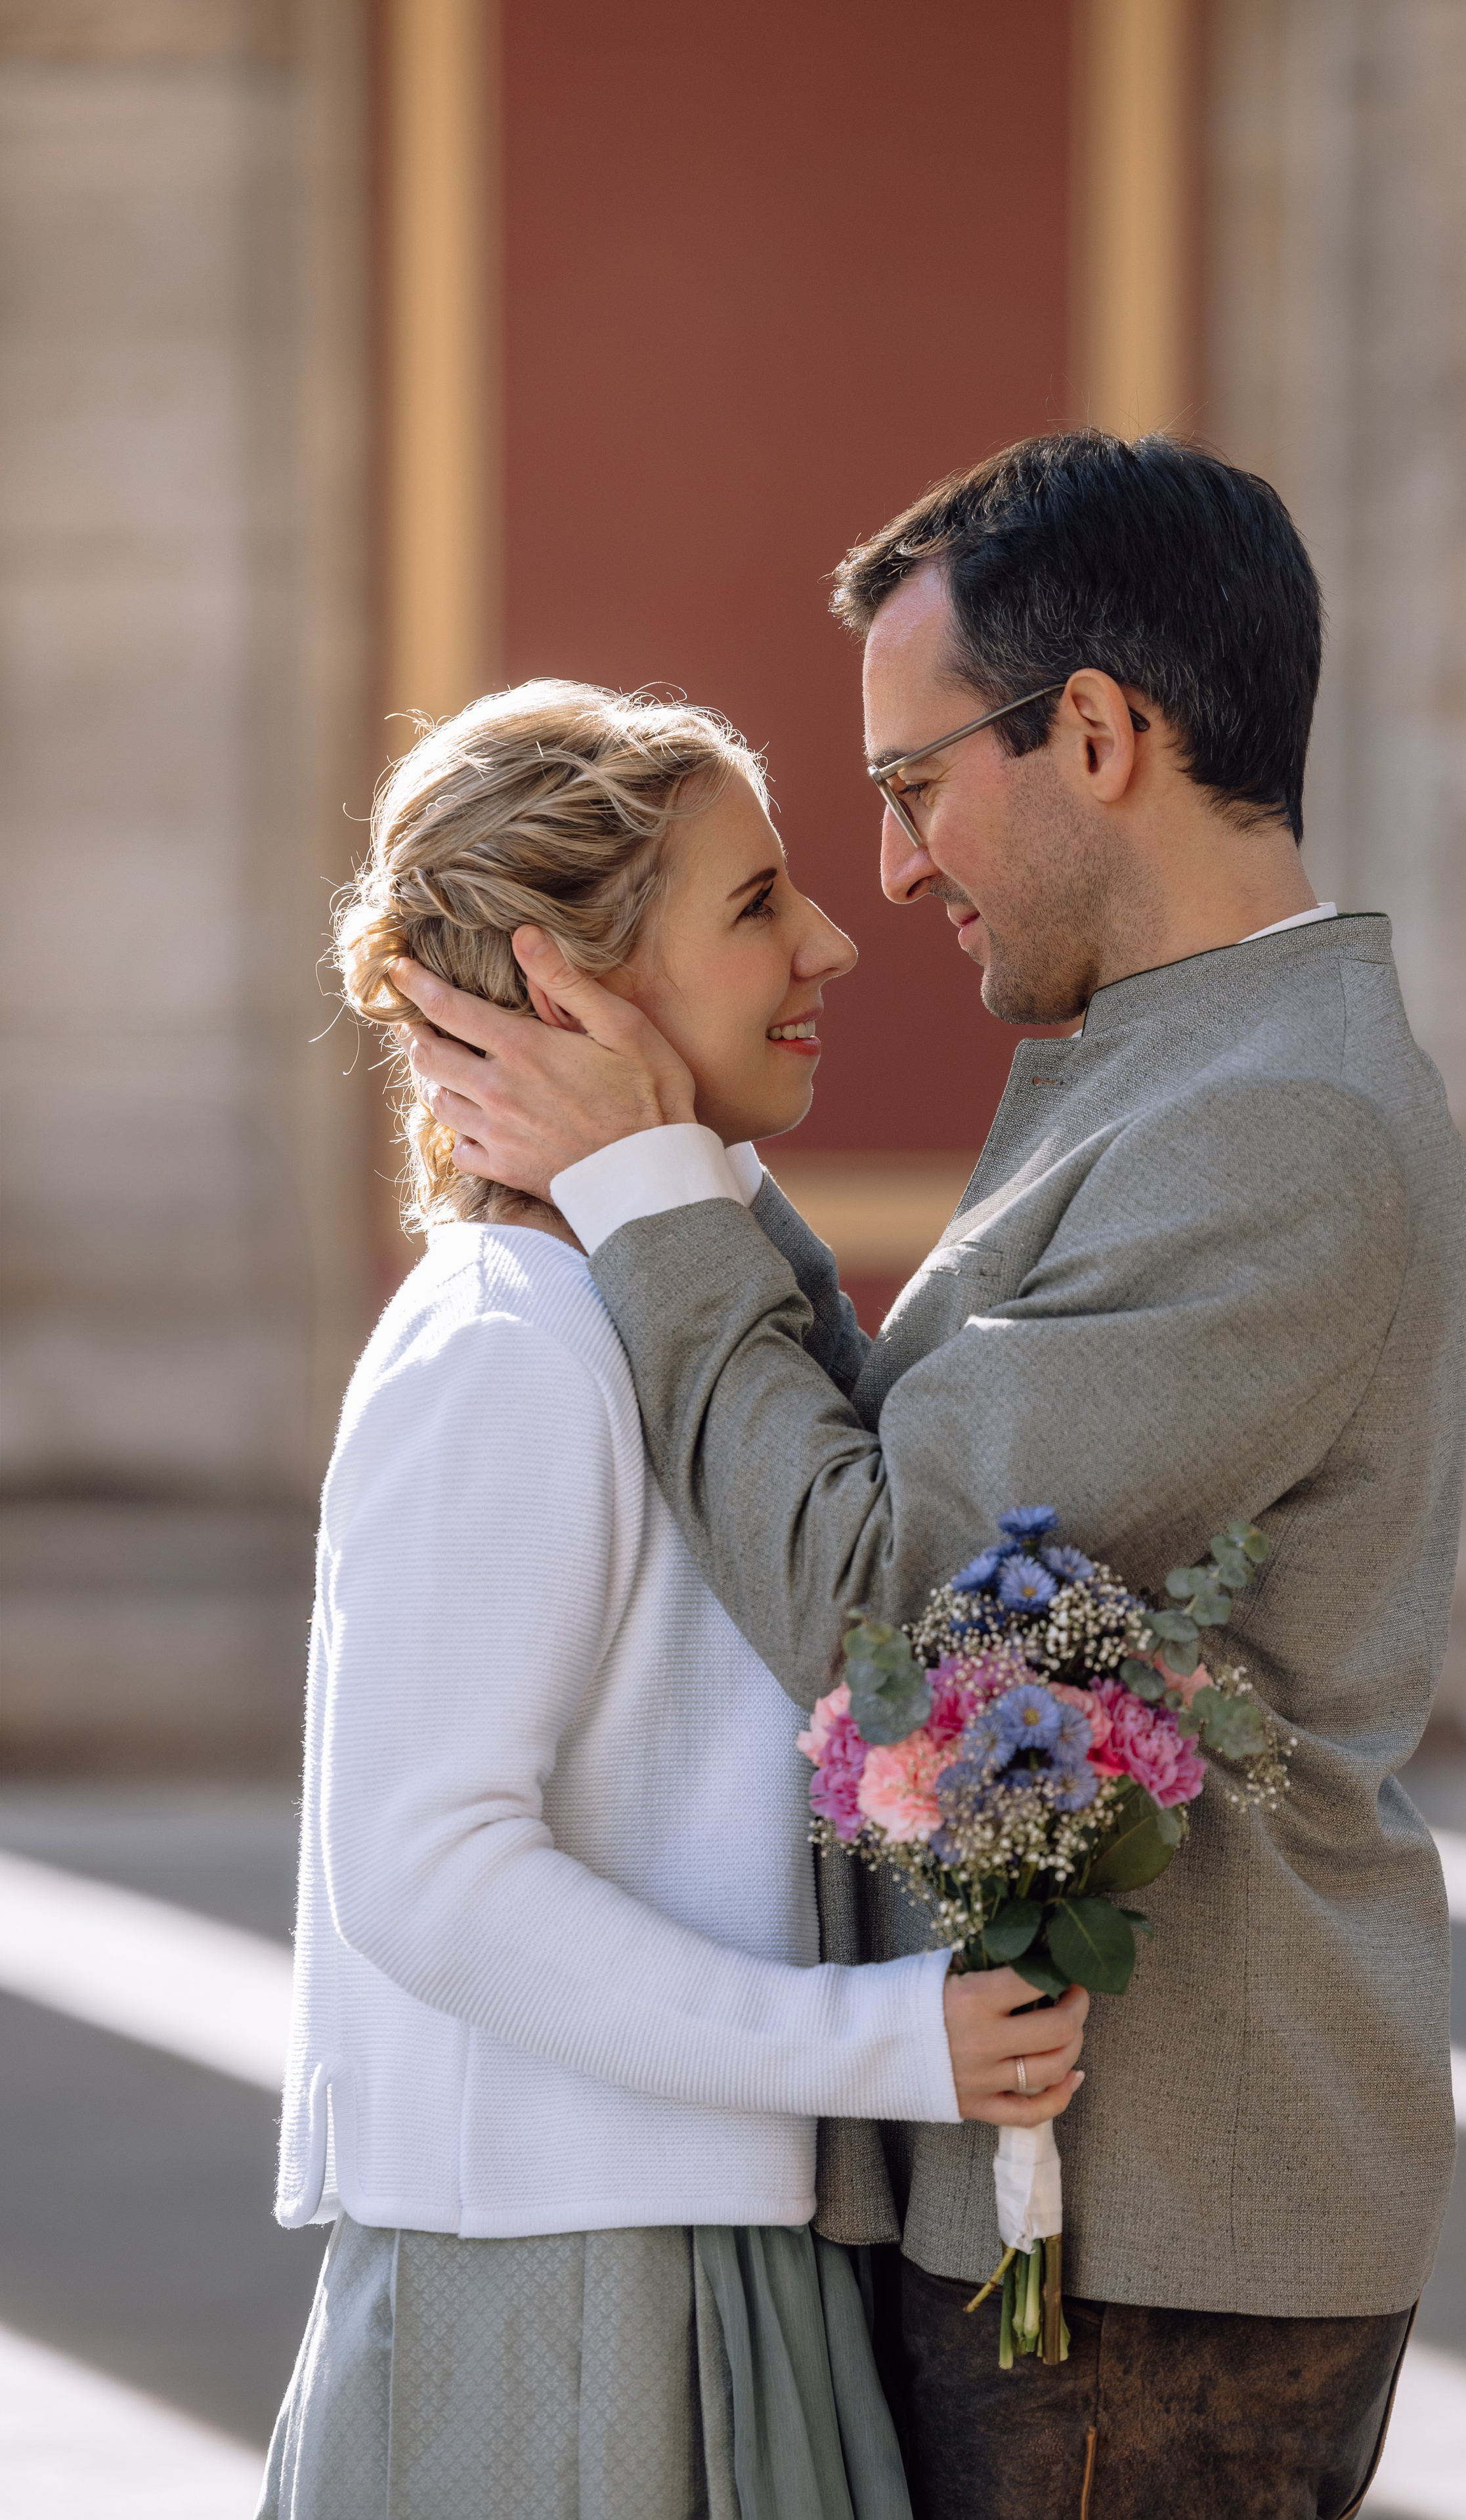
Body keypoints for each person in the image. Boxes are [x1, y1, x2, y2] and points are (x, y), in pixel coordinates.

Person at [398, 432, 1466, 2520]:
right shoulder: (1157, 1059)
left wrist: (638, 1178)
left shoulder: (1281, 1126)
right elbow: (927, 1460)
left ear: (1095, 734)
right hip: (1062, 2211)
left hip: (1152, 2232)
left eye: (910, 785)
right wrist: (661, 1152)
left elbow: (893, 1604)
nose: (892, 876)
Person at [259, 680, 1089, 2520]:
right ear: (571, 988)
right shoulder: (509, 1342)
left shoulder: (627, 1312)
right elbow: (427, 1865)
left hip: (684, 2242)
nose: (828, 937)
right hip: (565, 2296)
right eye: (751, 903)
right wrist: (875, 2042)